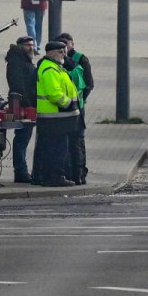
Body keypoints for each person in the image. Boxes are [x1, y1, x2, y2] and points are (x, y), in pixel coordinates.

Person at [32, 41, 78, 187]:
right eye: (60, 51)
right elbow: (54, 93)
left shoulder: (56, 67)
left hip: (56, 118)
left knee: (55, 147)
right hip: (54, 117)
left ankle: (50, 176)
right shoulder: (49, 69)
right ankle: (55, 177)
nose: (64, 54)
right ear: (51, 53)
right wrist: (68, 103)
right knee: (57, 149)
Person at [56, 32, 94, 185]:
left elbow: (89, 84)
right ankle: (68, 172)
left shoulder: (80, 59)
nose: (64, 47)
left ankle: (79, 173)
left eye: (66, 44)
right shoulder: (57, 60)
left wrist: (80, 100)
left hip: (77, 108)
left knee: (77, 140)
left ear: (72, 44)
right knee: (66, 141)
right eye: (61, 45)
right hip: (64, 107)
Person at [2, 36, 38, 183]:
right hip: (23, 106)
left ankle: (22, 171)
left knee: (23, 139)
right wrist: (28, 105)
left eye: (32, 45)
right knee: (22, 139)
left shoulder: (22, 60)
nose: (31, 48)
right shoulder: (17, 62)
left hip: (26, 105)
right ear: (20, 46)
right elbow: (18, 85)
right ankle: (21, 172)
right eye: (28, 45)